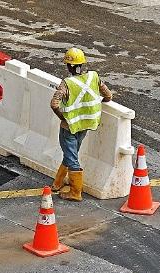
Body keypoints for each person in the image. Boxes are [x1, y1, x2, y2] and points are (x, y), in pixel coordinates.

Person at [50, 47, 112, 201]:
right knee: (71, 153)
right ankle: (58, 182)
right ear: (82, 64)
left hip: (69, 127)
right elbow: (108, 95)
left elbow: (54, 104)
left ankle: (75, 192)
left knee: (72, 157)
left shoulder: (66, 83)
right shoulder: (93, 77)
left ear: (69, 66)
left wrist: (63, 118)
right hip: (86, 124)